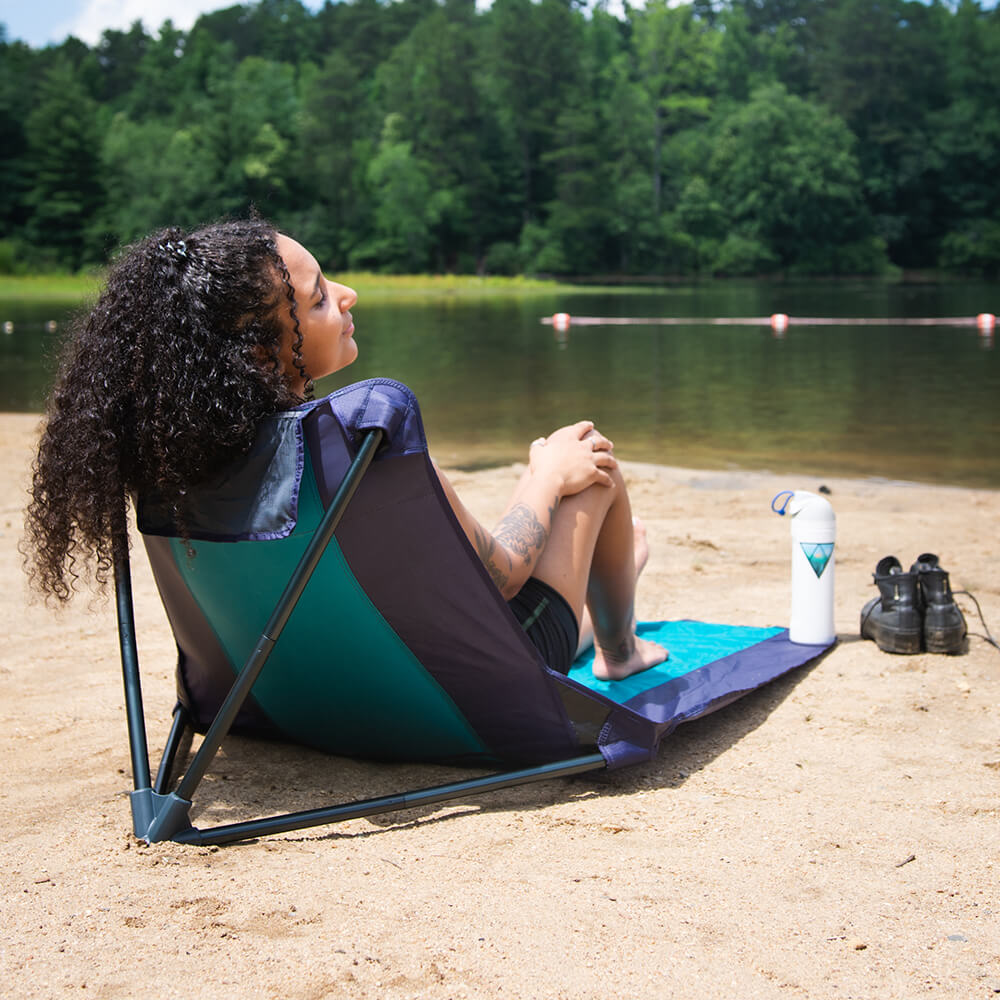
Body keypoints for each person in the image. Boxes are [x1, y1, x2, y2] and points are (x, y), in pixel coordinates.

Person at [25, 218, 667, 681]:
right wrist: (546, 478)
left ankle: (608, 585)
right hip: (438, 693)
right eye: (321, 297)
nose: (349, 296)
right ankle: (620, 648)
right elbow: (501, 579)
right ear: (258, 354)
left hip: (279, 689)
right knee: (590, 461)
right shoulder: (357, 445)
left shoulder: (169, 454)